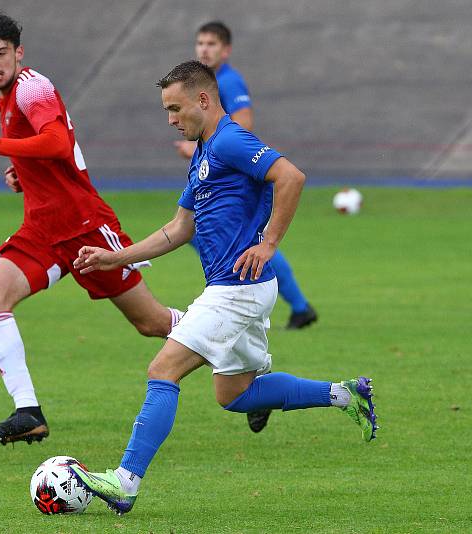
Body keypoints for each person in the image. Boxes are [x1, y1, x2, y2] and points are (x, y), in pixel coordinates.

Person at [68, 61, 378, 515]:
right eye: (166, 111)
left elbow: (290, 177)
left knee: (163, 370)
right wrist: (114, 257)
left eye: (175, 108)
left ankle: (125, 480)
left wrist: (269, 242)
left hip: (236, 290)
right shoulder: (203, 154)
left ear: (203, 100)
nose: (171, 119)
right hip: (244, 290)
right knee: (234, 395)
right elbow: (179, 228)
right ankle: (345, 393)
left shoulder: (231, 140)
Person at [0, 10, 184, 445]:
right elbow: (49, 152)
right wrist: (22, 170)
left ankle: (236, 342)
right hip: (42, 229)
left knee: (151, 323)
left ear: (19, 52)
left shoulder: (32, 86)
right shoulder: (8, 96)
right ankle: (27, 412)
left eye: (1, 53)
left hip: (84, 228)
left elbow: (56, 141)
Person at [175, 21, 317, 333]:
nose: (204, 49)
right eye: (200, 43)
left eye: (212, 44)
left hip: (236, 176)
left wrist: (208, 148)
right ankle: (294, 305)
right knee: (211, 237)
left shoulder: (228, 81)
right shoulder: (210, 81)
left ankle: (299, 305)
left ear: (226, 50)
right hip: (225, 172)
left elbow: (244, 123)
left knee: (246, 245)